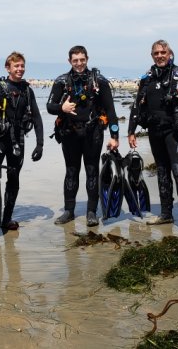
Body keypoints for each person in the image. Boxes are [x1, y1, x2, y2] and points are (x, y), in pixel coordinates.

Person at [127, 40, 178, 239]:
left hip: (175, 133)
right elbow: (137, 106)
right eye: (156, 53)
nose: (159, 56)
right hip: (155, 131)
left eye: (163, 52)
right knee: (161, 172)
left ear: (170, 54)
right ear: (152, 56)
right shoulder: (147, 79)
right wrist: (131, 131)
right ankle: (166, 214)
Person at [0, 52, 44, 237]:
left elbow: (37, 117)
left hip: (18, 141)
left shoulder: (27, 91)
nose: (20, 69)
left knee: (13, 180)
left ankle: (6, 219)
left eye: (22, 66)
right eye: (16, 66)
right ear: (8, 68)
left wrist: (40, 144)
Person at [48, 45, 119, 227]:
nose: (79, 63)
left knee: (92, 170)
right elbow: (50, 106)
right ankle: (69, 211)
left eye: (82, 60)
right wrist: (62, 107)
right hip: (69, 133)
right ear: (69, 61)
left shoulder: (99, 81)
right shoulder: (61, 81)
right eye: (75, 60)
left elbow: (111, 111)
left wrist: (115, 136)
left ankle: (91, 212)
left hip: (92, 133)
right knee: (71, 171)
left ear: (87, 59)